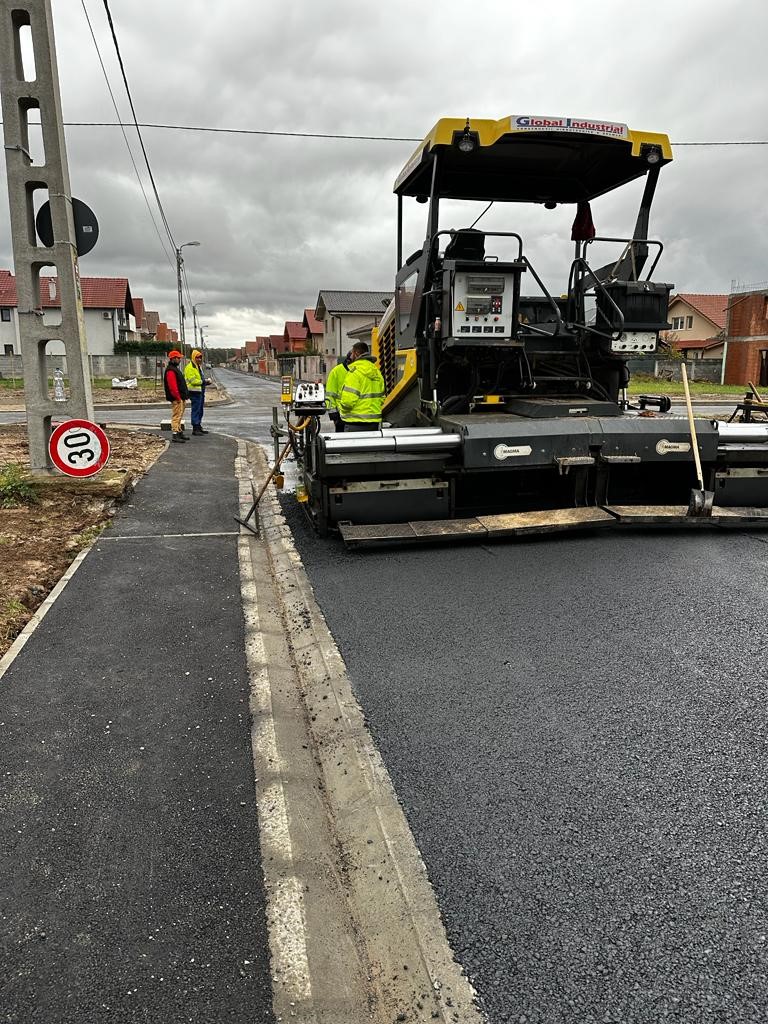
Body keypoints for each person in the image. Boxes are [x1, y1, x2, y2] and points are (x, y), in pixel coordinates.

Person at [338, 342, 386, 431]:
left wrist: (340, 408)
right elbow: (382, 398)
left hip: (354, 422)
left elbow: (347, 402)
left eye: (352, 353)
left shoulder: (354, 372)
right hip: (373, 423)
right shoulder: (377, 372)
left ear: (356, 354)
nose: (350, 356)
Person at [163, 350, 189, 443]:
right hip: (177, 398)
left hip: (181, 397)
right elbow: (172, 386)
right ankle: (175, 434)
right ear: (173, 359)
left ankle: (179, 432)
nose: (179, 360)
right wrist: (178, 397)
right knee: (176, 416)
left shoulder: (174, 369)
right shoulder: (171, 370)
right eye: (178, 358)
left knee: (179, 416)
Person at [184, 349, 211, 435]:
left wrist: (205, 382)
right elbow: (193, 381)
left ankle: (198, 426)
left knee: (200, 410)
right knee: (196, 410)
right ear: (193, 357)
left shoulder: (198, 367)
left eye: (200, 358)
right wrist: (204, 382)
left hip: (200, 391)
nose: (199, 359)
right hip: (194, 392)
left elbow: (199, 379)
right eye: (197, 358)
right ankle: (195, 428)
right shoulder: (190, 367)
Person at [325, 350, 352, 432]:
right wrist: (333, 415)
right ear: (348, 360)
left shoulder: (358, 371)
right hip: (340, 416)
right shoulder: (336, 372)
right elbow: (330, 394)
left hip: (356, 415)